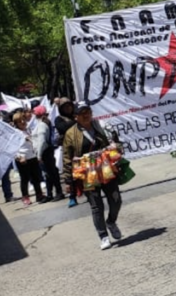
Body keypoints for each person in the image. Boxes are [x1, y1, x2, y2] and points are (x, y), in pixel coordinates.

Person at [62, 102, 124, 250]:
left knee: (116, 200)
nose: (86, 115)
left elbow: (117, 142)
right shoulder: (70, 134)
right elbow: (67, 158)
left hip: (105, 168)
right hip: (87, 173)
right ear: (76, 117)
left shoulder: (101, 125)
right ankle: (103, 236)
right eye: (82, 113)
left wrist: (115, 147)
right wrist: (68, 180)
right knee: (97, 206)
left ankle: (111, 222)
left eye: (88, 111)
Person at [13, 111, 46, 205]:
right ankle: (25, 197)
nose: (23, 122)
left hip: (33, 157)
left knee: (36, 177)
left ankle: (39, 195)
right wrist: (19, 158)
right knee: (25, 179)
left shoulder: (28, 130)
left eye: (23, 120)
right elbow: (12, 149)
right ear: (16, 123)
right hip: (23, 159)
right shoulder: (15, 133)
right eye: (20, 121)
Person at [32, 106, 64, 201]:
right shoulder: (43, 123)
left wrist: (39, 155)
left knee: (51, 173)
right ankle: (50, 194)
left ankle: (58, 192)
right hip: (45, 152)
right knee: (48, 174)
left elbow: (42, 141)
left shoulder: (42, 124)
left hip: (45, 152)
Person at [54, 99, 80, 207]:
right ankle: (72, 196)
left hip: (79, 146)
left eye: (70, 106)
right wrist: (76, 121)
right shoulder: (59, 119)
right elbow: (62, 128)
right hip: (68, 149)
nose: (68, 108)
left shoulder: (77, 115)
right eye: (65, 107)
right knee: (69, 172)